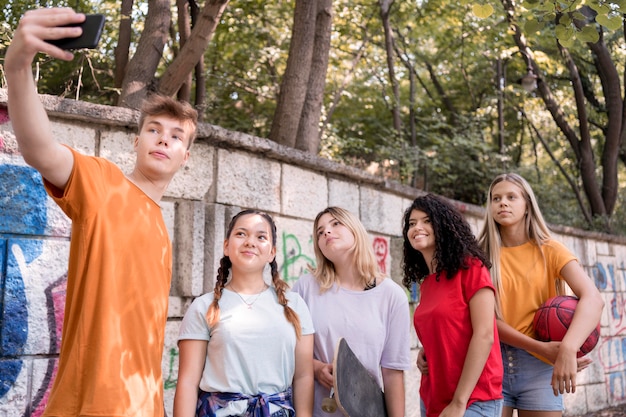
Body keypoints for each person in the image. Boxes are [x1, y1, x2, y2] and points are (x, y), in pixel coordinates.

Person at [5, 8, 199, 417]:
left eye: (176, 136)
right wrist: (17, 68)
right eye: (154, 130)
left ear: (186, 156)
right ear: (136, 141)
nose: (163, 140)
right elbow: (40, 150)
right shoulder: (103, 183)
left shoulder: (161, 228)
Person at [478, 173, 605, 417]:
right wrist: (542, 348)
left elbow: (593, 298)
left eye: (511, 197)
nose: (502, 203)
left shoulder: (550, 249)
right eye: (496, 198)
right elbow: (485, 320)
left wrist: (567, 349)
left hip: (540, 368)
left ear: (527, 205)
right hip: (490, 361)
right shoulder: (480, 255)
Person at [174, 209, 315, 417]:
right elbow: (188, 381)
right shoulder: (204, 306)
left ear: (272, 252)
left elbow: (303, 376)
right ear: (226, 246)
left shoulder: (294, 305)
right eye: (241, 234)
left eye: (261, 237)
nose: (250, 242)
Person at [291, 206, 411, 417]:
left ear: (356, 230)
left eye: (336, 223)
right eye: (320, 232)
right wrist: (317, 368)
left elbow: (393, 373)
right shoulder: (305, 288)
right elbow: (287, 351)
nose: (326, 232)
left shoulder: (392, 296)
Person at [402, 194, 504, 417]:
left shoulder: (472, 268)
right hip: (432, 397)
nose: (417, 227)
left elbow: (485, 335)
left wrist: (459, 402)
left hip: (473, 399)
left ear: (444, 226)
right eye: (412, 223)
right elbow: (449, 329)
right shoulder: (428, 282)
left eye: (427, 221)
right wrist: (426, 351)